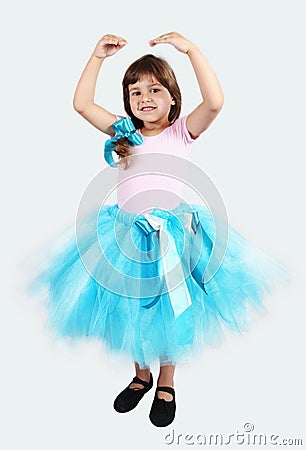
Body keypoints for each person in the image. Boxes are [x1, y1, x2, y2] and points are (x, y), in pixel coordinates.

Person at [26, 32, 288, 428]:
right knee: (129, 302)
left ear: (172, 97)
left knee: (168, 304)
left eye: (154, 89)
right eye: (135, 92)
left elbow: (215, 102)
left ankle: (166, 379)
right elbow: (81, 105)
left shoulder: (182, 131)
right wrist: (96, 56)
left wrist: (192, 50)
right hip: (124, 235)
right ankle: (141, 374)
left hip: (172, 236)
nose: (144, 97)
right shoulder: (124, 133)